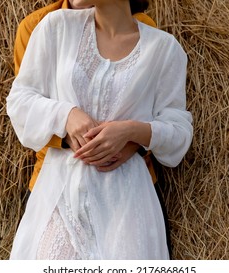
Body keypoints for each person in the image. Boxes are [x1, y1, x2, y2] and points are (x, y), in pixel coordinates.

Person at [7, 0, 193, 259]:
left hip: (127, 204)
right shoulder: (54, 27)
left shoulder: (163, 48)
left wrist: (131, 132)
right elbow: (19, 101)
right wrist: (66, 115)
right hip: (59, 194)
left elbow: (178, 131)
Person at [14, 0, 157, 192]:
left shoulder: (144, 28)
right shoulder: (38, 25)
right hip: (57, 180)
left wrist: (131, 142)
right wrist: (67, 123)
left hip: (132, 181)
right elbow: (25, 107)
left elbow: (156, 107)